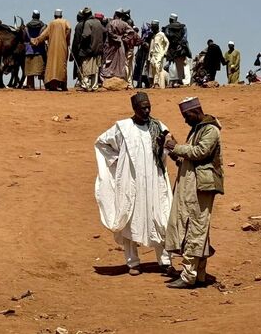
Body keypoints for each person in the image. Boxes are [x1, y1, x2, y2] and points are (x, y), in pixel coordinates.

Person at [94, 92, 174, 276]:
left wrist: (168, 145)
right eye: (142, 108)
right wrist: (118, 161)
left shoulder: (158, 126)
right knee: (129, 218)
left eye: (148, 107)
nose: (146, 111)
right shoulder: (122, 128)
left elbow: (168, 145)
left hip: (154, 180)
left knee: (160, 217)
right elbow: (101, 144)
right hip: (131, 182)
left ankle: (165, 261)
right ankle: (133, 263)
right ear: (135, 109)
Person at [164, 97, 224, 289]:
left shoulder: (211, 130)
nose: (185, 120)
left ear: (196, 111)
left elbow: (200, 152)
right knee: (197, 228)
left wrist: (177, 147)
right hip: (193, 186)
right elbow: (190, 160)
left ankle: (188, 275)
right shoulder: (197, 129)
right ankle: (199, 275)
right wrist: (174, 152)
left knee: (195, 228)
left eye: (186, 116)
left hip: (202, 187)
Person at [31, 9, 71, 91]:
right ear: (61, 15)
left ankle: (53, 85)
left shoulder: (51, 23)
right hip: (63, 47)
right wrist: (67, 40)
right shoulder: (65, 22)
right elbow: (69, 29)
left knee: (52, 66)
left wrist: (35, 40)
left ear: (54, 16)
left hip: (52, 48)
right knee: (62, 65)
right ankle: (63, 85)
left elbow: (44, 35)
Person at [71, 7, 104, 91]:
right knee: (95, 69)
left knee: (85, 68)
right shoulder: (98, 22)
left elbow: (86, 35)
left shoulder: (88, 23)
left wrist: (81, 45)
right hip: (98, 50)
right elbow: (104, 32)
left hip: (88, 50)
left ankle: (85, 85)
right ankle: (94, 86)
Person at [100, 9, 135, 82]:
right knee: (120, 60)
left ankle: (110, 76)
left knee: (110, 61)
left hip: (110, 45)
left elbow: (108, 32)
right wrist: (123, 39)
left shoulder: (110, 23)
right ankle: (118, 76)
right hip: (120, 45)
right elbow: (131, 32)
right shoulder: (124, 24)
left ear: (115, 14)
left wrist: (115, 38)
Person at [162, 14, 191, 87]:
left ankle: (173, 82)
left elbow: (166, 37)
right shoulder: (183, 27)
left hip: (171, 48)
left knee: (172, 64)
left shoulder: (167, 27)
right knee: (180, 65)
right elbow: (185, 38)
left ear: (171, 19)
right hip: (181, 49)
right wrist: (180, 45)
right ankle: (179, 81)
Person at [23, 10, 46, 89]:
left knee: (29, 70)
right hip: (39, 50)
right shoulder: (43, 26)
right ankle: (46, 85)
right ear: (39, 16)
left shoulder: (26, 27)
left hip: (29, 50)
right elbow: (44, 37)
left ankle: (30, 86)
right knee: (42, 69)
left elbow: (24, 37)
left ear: (32, 16)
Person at [147, 21, 169, 88]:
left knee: (157, 67)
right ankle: (155, 84)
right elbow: (154, 45)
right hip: (154, 54)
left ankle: (156, 83)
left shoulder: (161, 34)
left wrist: (165, 52)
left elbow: (167, 42)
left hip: (160, 54)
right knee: (153, 68)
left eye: (153, 28)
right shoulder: (154, 36)